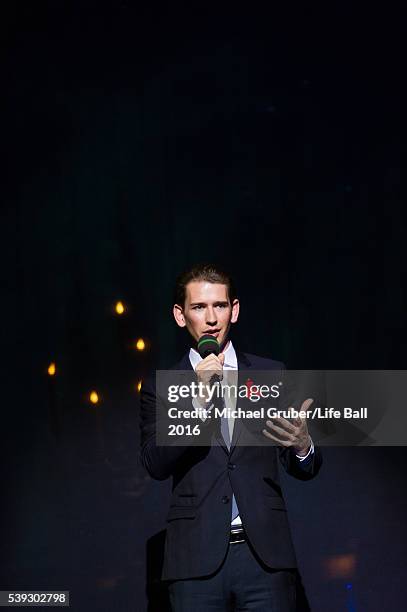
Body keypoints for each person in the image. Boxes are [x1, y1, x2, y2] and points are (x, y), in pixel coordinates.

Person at [140, 264, 322, 612]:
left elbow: (302, 467)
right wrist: (195, 404)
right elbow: (155, 463)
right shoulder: (162, 385)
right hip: (195, 563)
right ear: (181, 315)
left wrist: (302, 446)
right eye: (199, 307)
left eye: (219, 306)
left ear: (234, 310)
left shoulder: (272, 373)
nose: (211, 318)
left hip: (265, 559)